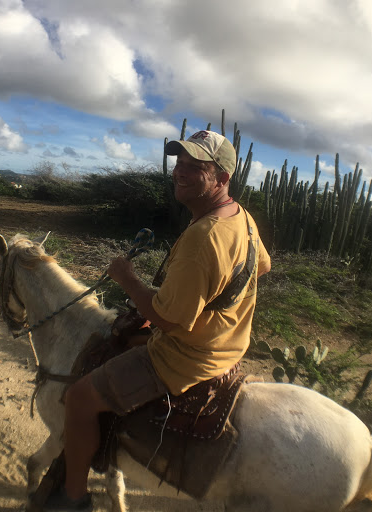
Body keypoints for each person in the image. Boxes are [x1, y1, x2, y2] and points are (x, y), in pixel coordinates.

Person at [44, 130, 271, 512]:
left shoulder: (205, 236)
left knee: (80, 398)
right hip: (227, 346)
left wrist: (127, 278)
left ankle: (74, 498)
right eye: (179, 163)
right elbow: (261, 267)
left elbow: (167, 320)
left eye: (195, 167)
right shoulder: (241, 218)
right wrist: (211, 306)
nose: (180, 172)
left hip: (187, 358)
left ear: (222, 177)